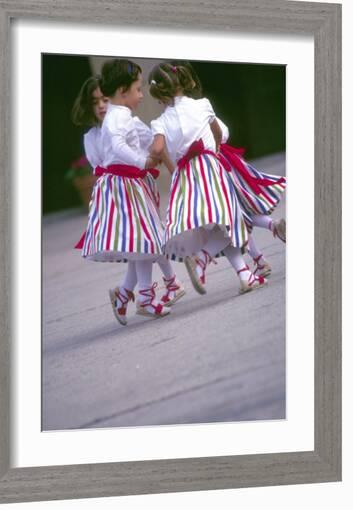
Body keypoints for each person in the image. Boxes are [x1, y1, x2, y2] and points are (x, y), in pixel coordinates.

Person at [71, 75, 185, 325]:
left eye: (104, 99)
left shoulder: (128, 122)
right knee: (142, 243)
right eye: (95, 102)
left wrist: (156, 161)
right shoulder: (91, 136)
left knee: (142, 243)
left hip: (137, 186)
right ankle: (146, 295)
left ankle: (125, 294)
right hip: (117, 192)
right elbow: (101, 165)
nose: (102, 106)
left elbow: (151, 145)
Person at [148, 62, 267, 295]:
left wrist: (153, 151)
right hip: (210, 168)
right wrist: (215, 149)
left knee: (218, 228)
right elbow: (219, 133)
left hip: (186, 178)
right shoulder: (203, 105)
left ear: (158, 93)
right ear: (182, 81)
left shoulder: (159, 122)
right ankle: (202, 259)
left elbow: (159, 148)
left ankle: (245, 275)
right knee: (229, 221)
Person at [169, 61, 286, 283]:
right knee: (234, 215)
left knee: (232, 217)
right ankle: (261, 255)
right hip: (222, 163)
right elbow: (224, 132)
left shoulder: (189, 112)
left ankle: (258, 251)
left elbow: (218, 134)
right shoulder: (200, 107)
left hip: (214, 168)